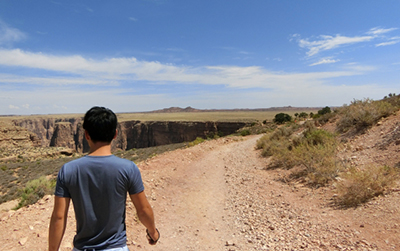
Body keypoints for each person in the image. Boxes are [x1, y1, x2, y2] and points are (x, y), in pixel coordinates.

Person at [48, 106, 159, 251]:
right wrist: (153, 232)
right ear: (115, 134)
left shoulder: (68, 170)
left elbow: (59, 217)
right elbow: (143, 210)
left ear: (86, 134)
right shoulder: (128, 168)